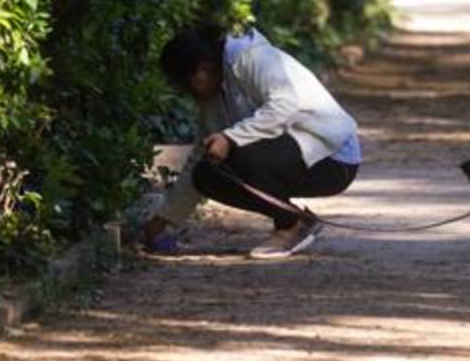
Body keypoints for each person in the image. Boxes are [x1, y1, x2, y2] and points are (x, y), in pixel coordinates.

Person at [142, 24, 361, 259]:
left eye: (187, 83)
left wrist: (231, 138)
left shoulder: (251, 58)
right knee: (206, 172)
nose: (188, 92)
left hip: (334, 157)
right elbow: (202, 154)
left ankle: (290, 228)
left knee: (239, 155)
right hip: (297, 158)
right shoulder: (213, 95)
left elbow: (284, 105)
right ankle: (297, 221)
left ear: (204, 68)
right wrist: (165, 219)